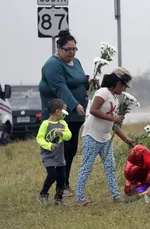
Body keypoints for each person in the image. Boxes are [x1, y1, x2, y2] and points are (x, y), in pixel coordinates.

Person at [74, 68, 135, 206]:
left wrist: (126, 139)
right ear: (118, 83)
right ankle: (79, 198)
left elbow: (112, 123)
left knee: (110, 167)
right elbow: (93, 110)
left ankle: (116, 196)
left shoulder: (114, 98)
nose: (125, 89)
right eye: (124, 85)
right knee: (87, 167)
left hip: (105, 137)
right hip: (92, 135)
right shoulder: (103, 92)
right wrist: (113, 117)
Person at [39, 29, 89, 197]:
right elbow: (61, 88)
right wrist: (75, 105)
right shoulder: (52, 65)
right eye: (68, 49)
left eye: (74, 49)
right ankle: (56, 188)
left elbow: (79, 81)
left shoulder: (77, 62)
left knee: (71, 150)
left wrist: (89, 81)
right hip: (58, 117)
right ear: (59, 48)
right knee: (59, 153)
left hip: (75, 116)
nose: (72, 52)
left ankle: (65, 184)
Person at [36, 99, 72, 206]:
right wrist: (48, 145)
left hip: (60, 156)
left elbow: (68, 135)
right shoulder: (45, 124)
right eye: (64, 111)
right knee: (52, 176)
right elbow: (40, 138)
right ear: (58, 112)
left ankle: (59, 198)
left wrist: (62, 134)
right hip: (48, 156)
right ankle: (43, 194)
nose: (65, 114)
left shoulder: (63, 123)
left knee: (62, 178)